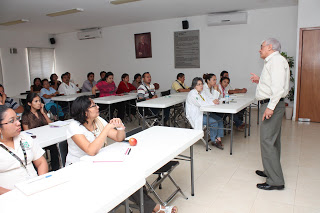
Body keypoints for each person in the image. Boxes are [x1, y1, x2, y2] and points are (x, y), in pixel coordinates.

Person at [66, 96, 177, 213]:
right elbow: (91, 150)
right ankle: (154, 208)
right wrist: (106, 128)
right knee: (124, 176)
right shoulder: (74, 126)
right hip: (79, 168)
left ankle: (148, 206)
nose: (98, 107)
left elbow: (119, 138)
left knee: (131, 172)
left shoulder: (98, 120)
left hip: (98, 161)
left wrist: (119, 127)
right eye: (94, 105)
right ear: (84, 112)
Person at [250, 38, 289, 190]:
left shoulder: (276, 61)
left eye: (262, 47)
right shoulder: (273, 61)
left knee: (267, 141)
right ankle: (270, 171)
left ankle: (275, 181)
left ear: (270, 47)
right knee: (273, 141)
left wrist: (270, 107)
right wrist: (260, 81)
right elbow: (273, 83)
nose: (260, 50)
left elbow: (278, 88)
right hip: (272, 104)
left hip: (272, 105)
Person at [0, 105, 48, 195]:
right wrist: (15, 195)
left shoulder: (25, 138)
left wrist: (41, 182)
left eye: (17, 119)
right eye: (12, 121)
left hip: (36, 190)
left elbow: (41, 162)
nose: (18, 123)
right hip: (9, 197)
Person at [21, 93, 60, 171]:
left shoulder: (41, 112)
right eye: (36, 101)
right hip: (35, 141)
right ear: (29, 103)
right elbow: (26, 132)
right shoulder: (26, 116)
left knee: (54, 147)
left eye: (39, 101)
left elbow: (51, 124)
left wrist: (43, 113)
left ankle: (56, 169)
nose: (39, 103)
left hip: (45, 137)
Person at [186, 77, 224, 149]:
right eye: (198, 84)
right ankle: (213, 140)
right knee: (214, 122)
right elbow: (200, 103)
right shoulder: (192, 94)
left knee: (220, 119)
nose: (201, 86)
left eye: (201, 84)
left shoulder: (202, 92)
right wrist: (212, 102)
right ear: (194, 86)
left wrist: (214, 101)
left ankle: (218, 139)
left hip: (203, 112)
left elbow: (208, 99)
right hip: (196, 116)